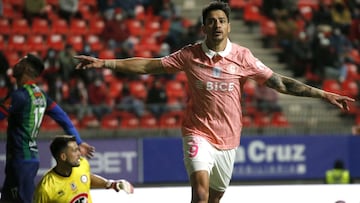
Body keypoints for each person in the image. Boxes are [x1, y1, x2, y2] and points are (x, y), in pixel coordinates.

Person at [75, 2, 355, 202]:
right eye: (212, 21)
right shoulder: (189, 55)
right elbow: (149, 66)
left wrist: (323, 93)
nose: (217, 25)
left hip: (229, 139)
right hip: (197, 133)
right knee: (200, 192)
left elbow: (280, 83)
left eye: (221, 20)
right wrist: (104, 62)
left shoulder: (243, 57)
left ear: (229, 26)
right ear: (204, 27)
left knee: (214, 198)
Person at [0, 53, 95, 203]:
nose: (15, 64)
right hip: (26, 159)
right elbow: (63, 117)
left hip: (20, 159)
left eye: (19, 62)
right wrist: (78, 140)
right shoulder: (41, 95)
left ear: (25, 68)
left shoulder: (19, 96)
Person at [32, 135, 134, 202]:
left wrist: (111, 184)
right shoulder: (45, 188)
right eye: (75, 151)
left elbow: (87, 177)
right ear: (63, 157)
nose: (79, 153)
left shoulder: (82, 164)